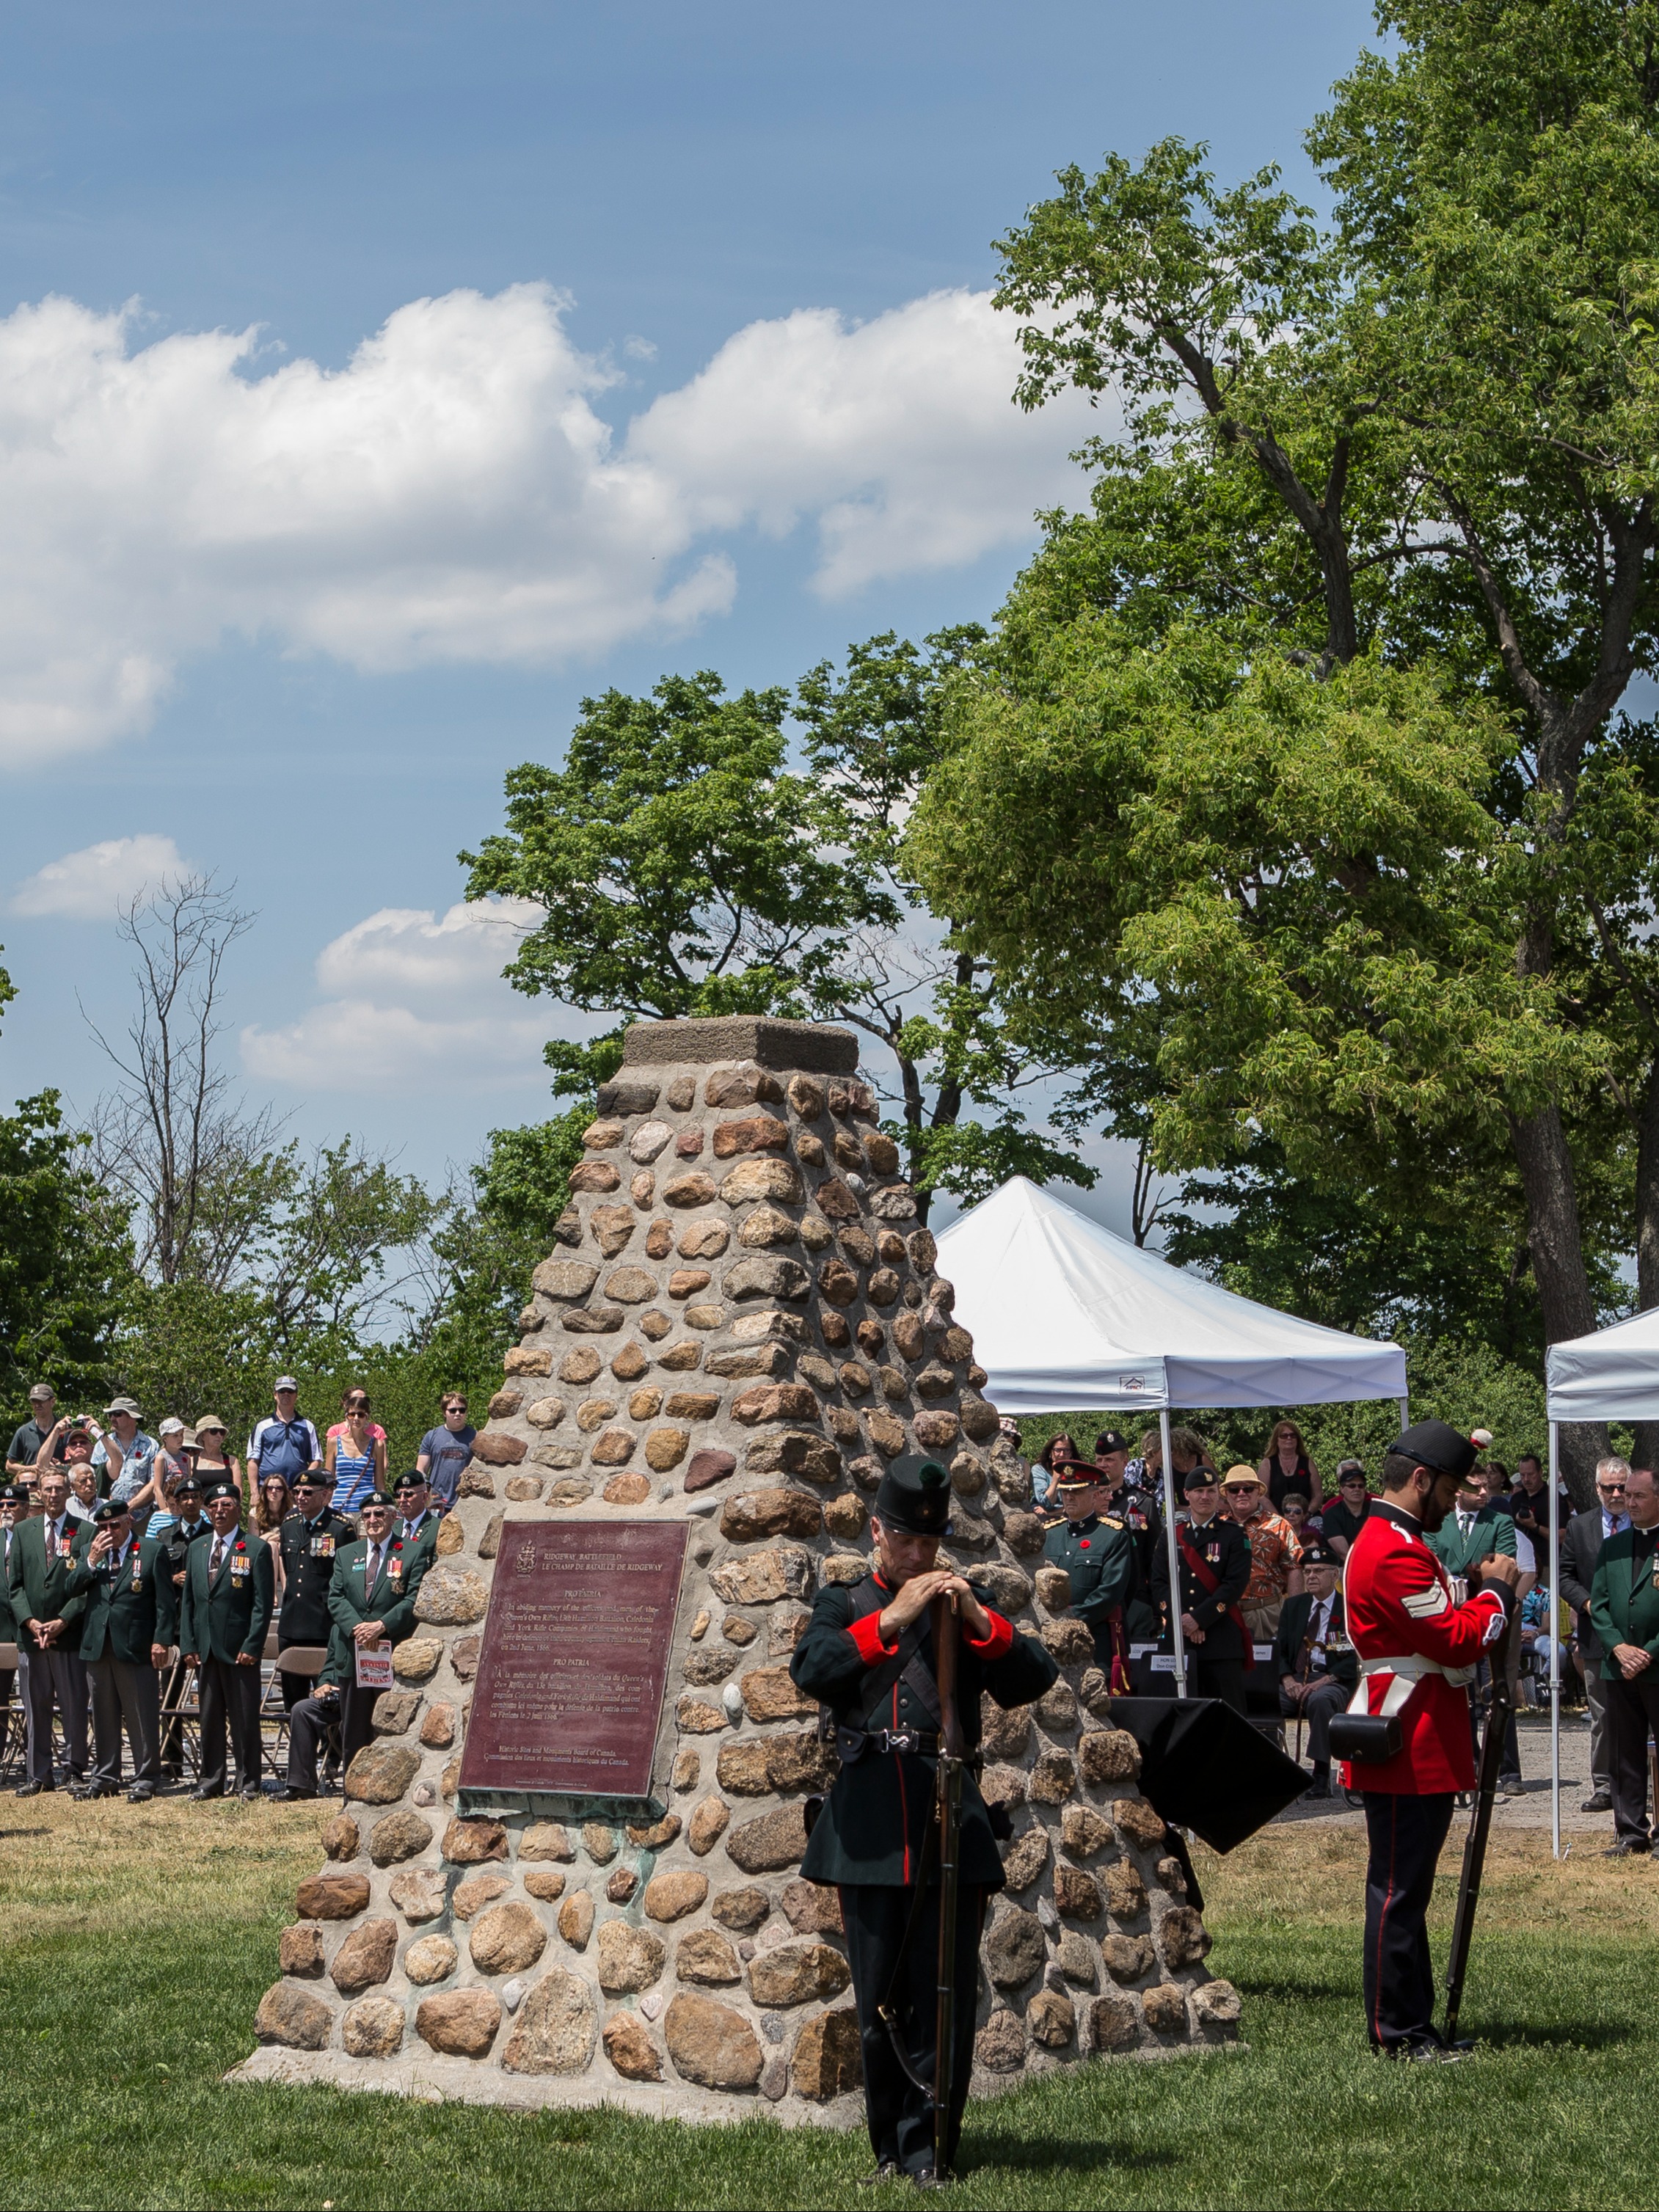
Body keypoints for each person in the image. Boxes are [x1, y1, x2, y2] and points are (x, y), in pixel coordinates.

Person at [788, 1453, 1057, 2186]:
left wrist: (976, 1618)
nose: (918, 1555)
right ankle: (886, 2146)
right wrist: (893, 1617)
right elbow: (811, 1670)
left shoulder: (962, 1608)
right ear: (877, 1531)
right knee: (878, 1998)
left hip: (949, 1823)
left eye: (929, 1544)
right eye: (905, 1540)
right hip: (870, 1830)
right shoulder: (844, 1603)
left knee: (946, 1996)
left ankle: (932, 2148)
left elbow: (1032, 1677)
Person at [1341, 1420, 1517, 2059]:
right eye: (1448, 1487)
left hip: (1418, 1730)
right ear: (1420, 1479)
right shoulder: (1392, 1549)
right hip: (1407, 1736)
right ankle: (1397, 2032)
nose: (1453, 1499)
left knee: (1408, 1890)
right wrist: (1496, 1594)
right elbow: (1454, 1640)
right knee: (1397, 1891)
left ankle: (1414, 2025)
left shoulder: (1395, 1541)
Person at [278, 1489, 430, 1800]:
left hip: (392, 1653)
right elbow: (335, 1596)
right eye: (367, 1516)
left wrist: (381, 1625)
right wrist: (357, 1628)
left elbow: (414, 1598)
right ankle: (353, 1795)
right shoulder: (348, 1555)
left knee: (389, 1726)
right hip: (353, 1653)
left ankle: (391, 1793)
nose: (373, 1520)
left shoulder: (411, 1552)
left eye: (379, 1514)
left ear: (393, 1517)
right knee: (354, 1731)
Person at [65, 1497, 174, 1801]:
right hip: (99, 1645)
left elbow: (165, 1604)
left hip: (137, 1645)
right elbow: (70, 1589)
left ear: (129, 1520)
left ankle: (147, 1777)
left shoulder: (151, 1552)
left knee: (141, 1713)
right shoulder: (94, 1554)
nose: (109, 1531)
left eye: (115, 1524)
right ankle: (106, 1776)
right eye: (102, 1527)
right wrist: (91, 1560)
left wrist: (161, 1640)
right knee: (103, 1713)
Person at [179, 1478, 274, 1800]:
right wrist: (189, 1644)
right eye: (214, 1506)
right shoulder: (198, 1547)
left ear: (237, 1509)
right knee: (209, 1718)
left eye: (227, 1506)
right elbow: (190, 1602)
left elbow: (262, 1604)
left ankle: (248, 1781)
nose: (219, 1512)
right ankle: (210, 1780)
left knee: (245, 1719)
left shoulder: (256, 1548)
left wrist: (252, 1645)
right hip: (205, 1649)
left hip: (239, 1649)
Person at [1588, 1463, 1659, 1856]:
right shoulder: (1613, 1546)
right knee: (1624, 1753)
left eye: (1638, 1496)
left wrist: (1648, 1652)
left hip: (1656, 1665)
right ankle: (1631, 1831)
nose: (1628, 1502)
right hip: (1619, 1667)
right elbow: (1599, 1605)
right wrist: (1618, 1647)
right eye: (1626, 1496)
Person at [7, 1465, 90, 1794]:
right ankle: (39, 1774)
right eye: (48, 1489)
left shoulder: (84, 1530)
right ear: (39, 1493)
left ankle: (74, 1769)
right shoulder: (24, 1531)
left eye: (59, 1488)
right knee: (35, 1706)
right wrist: (30, 1621)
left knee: (73, 1705)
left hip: (67, 1636)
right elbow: (15, 1587)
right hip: (32, 1637)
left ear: (69, 1492)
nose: (54, 1494)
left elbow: (86, 1587)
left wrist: (63, 1620)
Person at [1558, 1456, 1629, 1816]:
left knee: (1641, 1713)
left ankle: (1643, 1787)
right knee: (1603, 1716)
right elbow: (1564, 1575)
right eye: (1609, 1488)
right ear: (1596, 1487)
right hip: (1596, 1636)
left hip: (1640, 1639)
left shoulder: (1647, 1522)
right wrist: (1586, 1604)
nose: (1616, 1495)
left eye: (1622, 1487)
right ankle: (1604, 1786)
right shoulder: (1580, 1527)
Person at [1151, 1464, 1253, 1711]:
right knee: (1177, 1715)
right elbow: (1159, 1582)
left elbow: (1234, 1585)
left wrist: (1200, 1619)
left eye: (1210, 1491)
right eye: (1198, 1491)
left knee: (1227, 1716)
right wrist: (1183, 1620)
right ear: (1187, 1494)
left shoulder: (1235, 1535)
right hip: (1179, 1639)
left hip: (1220, 1641)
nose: (1205, 1497)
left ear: (1219, 1495)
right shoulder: (1171, 1535)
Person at [1042, 1461, 1136, 1687]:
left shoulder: (1112, 1535)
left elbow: (1112, 1591)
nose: (1070, 1498)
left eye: (1078, 1491)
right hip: (1053, 1641)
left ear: (1094, 1495)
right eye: (1066, 1492)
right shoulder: (1049, 1534)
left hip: (1096, 1642)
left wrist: (1071, 1620)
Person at [1276, 1540, 1356, 1795]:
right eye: (1308, 1571)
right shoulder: (1294, 1606)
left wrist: (1325, 1681)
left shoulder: (1349, 1607)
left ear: (1335, 1575)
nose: (1311, 1576)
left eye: (1319, 1571)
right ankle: (1273, 1768)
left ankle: (1321, 1775)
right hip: (1297, 1679)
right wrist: (1287, 1680)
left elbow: (1357, 1656)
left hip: (1334, 1680)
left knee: (1320, 1702)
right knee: (1263, 1701)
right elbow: (1280, 1650)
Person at [274, 1470, 357, 1715]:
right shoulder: (289, 1525)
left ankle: (330, 1751)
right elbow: (290, 1572)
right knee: (293, 1700)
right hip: (291, 1624)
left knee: (328, 1697)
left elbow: (347, 1580)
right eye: (296, 1492)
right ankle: (298, 1748)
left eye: (308, 1492)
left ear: (325, 1496)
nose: (300, 1497)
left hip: (323, 1623)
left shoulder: (340, 1528)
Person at [1221, 1465, 1304, 1643]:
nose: (1241, 1493)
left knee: (1269, 1669)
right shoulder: (1217, 1527)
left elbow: (1295, 1568)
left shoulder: (1279, 1526)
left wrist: (1295, 1613)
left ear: (1258, 1492)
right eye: (1234, 1489)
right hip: (1225, 1614)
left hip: (1267, 1613)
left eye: (1248, 1488)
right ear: (1226, 1495)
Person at [247, 1377, 324, 1494]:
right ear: (275, 1395)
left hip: (297, 1492)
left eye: (290, 1391)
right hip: (268, 1490)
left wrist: (303, 1484)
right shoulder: (262, 1426)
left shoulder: (308, 1426)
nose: (286, 1394)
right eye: (282, 1391)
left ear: (296, 1396)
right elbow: (253, 1461)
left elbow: (316, 1460)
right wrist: (254, 1493)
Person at [92, 1398, 161, 1518]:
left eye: (118, 1414)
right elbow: (96, 1480)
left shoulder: (151, 1445)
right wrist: (114, 1508)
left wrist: (128, 1508)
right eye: (110, 1415)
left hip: (141, 1517)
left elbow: (154, 1482)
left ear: (132, 1417)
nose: (112, 1418)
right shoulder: (102, 1444)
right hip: (108, 1516)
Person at [326, 1388, 386, 1516]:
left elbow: (380, 1483)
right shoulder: (334, 1443)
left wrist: (385, 1507)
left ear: (367, 1417)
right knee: (330, 1538)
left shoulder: (377, 1444)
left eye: (361, 1415)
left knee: (367, 1538)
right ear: (346, 1416)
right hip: (340, 1508)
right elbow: (328, 1481)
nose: (356, 1419)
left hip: (368, 1510)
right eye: (352, 1414)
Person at [415, 1393, 475, 1512]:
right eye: (453, 1411)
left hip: (464, 1502)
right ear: (444, 1413)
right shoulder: (432, 1436)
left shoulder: (475, 1437)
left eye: (462, 1410)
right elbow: (421, 1471)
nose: (458, 1414)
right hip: (436, 1503)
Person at [6, 1383, 65, 1485]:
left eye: (41, 1401)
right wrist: (31, 1469)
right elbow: (9, 1466)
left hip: (60, 1489)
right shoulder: (24, 1432)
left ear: (52, 1402)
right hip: (33, 1488)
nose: (37, 1405)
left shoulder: (65, 1428)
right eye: (34, 1401)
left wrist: (64, 1467)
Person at [1258, 1419, 1318, 1511]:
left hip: (1305, 1517)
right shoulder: (1267, 1464)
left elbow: (1317, 1495)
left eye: (1293, 1436)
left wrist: (1308, 1513)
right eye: (1284, 1436)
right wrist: (1279, 1519)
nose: (1289, 1438)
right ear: (1276, 1440)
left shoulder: (1308, 1463)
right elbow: (1262, 1496)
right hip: (1275, 1518)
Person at [1321, 1462, 1374, 1558]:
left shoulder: (1375, 1511)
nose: (1357, 1489)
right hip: (1342, 1566)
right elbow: (1343, 1553)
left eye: (1361, 1486)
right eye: (1352, 1486)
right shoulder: (1331, 1514)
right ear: (1342, 1489)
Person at [191, 1416, 244, 1503]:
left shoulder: (232, 1461)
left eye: (222, 1432)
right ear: (203, 1435)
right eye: (214, 1431)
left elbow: (238, 1492)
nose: (219, 1436)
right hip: (200, 1513)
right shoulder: (192, 1462)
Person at [393, 1470, 441, 1566]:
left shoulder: (438, 1528)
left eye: (408, 1494)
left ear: (424, 1497)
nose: (402, 1500)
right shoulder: (393, 1528)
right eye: (398, 1495)